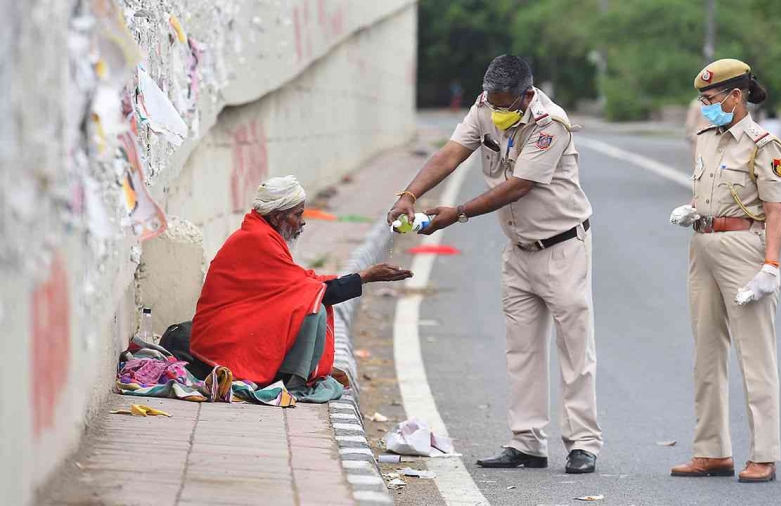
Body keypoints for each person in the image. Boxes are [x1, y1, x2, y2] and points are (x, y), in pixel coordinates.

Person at [387, 55, 602, 474]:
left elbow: (519, 186)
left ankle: (583, 443)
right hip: (518, 249)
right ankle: (526, 443)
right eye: (492, 101)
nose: (498, 110)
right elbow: (451, 153)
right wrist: (408, 194)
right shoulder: (484, 106)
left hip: (562, 248)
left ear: (527, 95)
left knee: (575, 350)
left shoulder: (549, 123)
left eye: (506, 104)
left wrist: (458, 212)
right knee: (521, 350)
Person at [668, 59, 781, 483]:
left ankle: (764, 455)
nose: (705, 107)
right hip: (702, 245)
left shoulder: (763, 144)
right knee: (706, 353)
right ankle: (712, 451)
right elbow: (707, 189)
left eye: (711, 99)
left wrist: (770, 266)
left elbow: (775, 211)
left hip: (744, 248)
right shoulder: (705, 138)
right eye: (702, 100)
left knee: (755, 356)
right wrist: (693, 211)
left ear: (736, 96)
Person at [189, 176, 412, 400]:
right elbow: (312, 289)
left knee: (309, 298)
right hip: (220, 338)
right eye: (297, 215)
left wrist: (361, 277)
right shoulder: (256, 239)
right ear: (277, 217)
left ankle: (293, 373)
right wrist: (365, 277)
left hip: (235, 325)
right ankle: (292, 380)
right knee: (313, 309)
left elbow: (301, 281)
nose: (302, 222)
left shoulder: (261, 233)